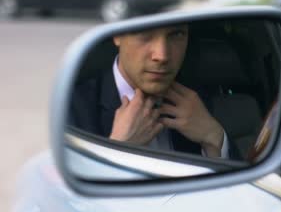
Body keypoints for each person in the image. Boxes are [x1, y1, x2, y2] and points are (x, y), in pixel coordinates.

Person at [70, 24, 241, 160]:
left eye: (176, 34)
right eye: (145, 33)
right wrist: (118, 149)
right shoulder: (73, 109)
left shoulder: (196, 99)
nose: (162, 55)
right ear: (117, 34)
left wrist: (213, 137)